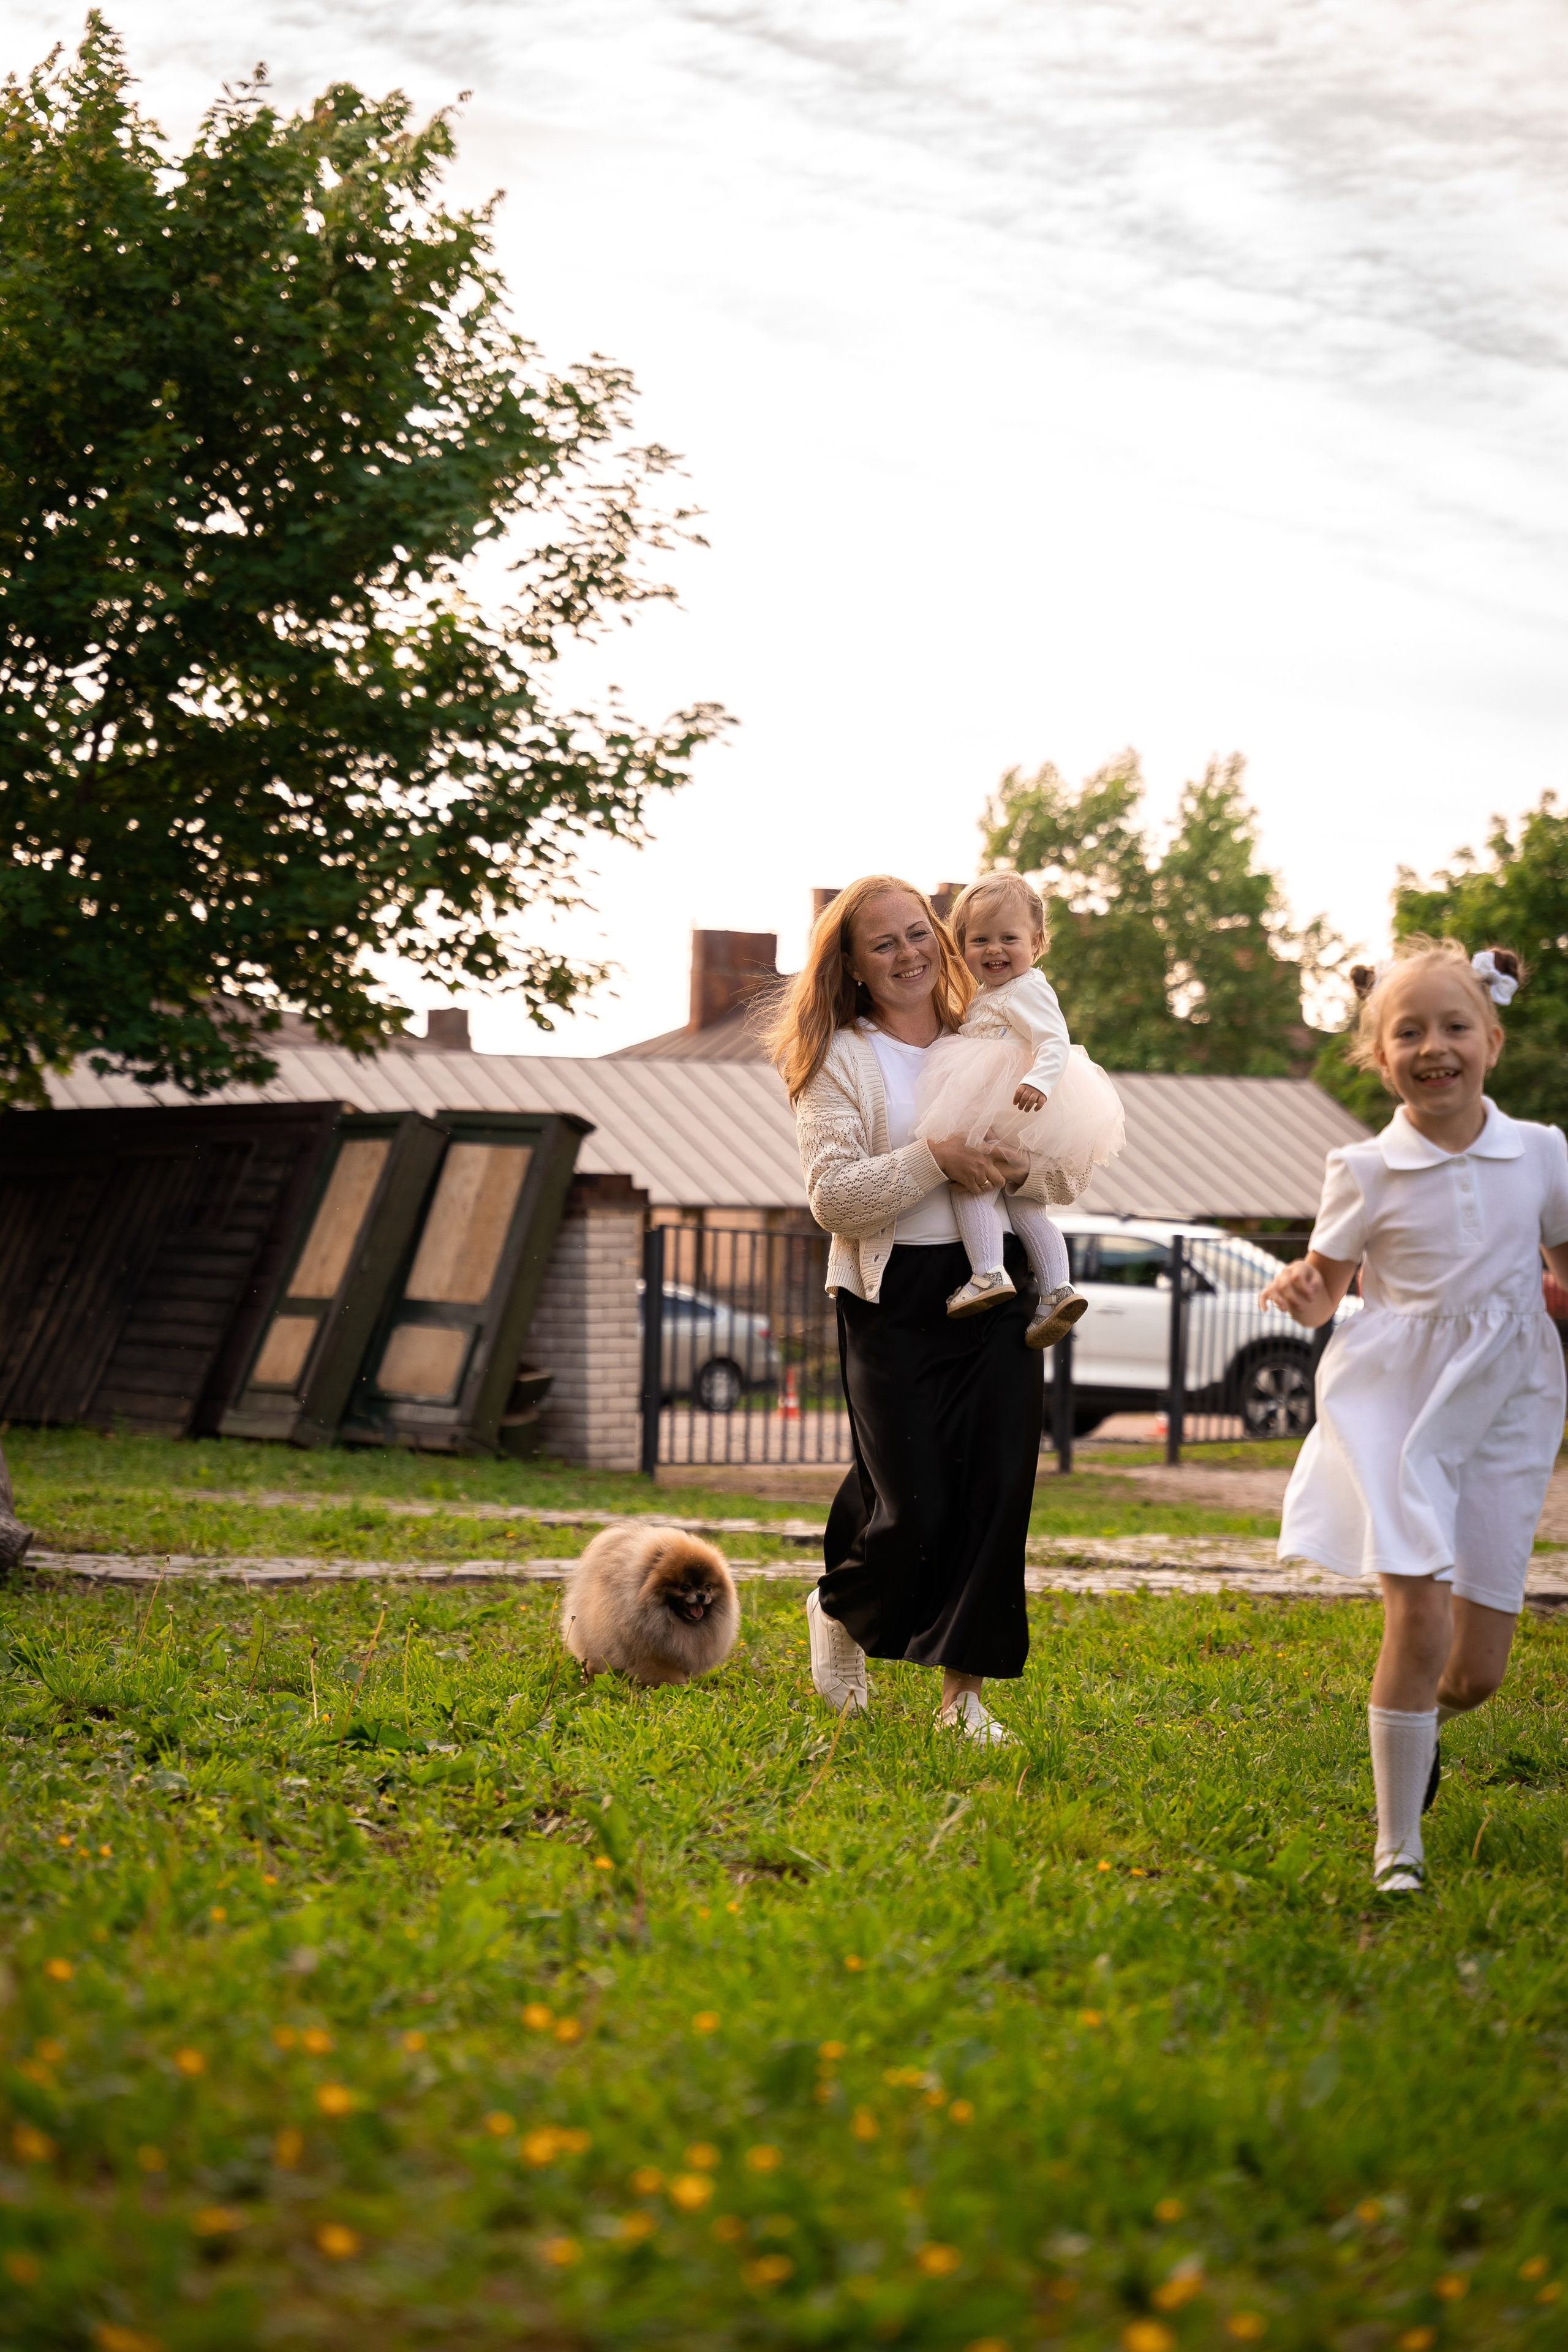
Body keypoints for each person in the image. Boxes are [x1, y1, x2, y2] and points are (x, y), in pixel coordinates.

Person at [1261, 937, 1568, 1896]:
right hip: (1396, 1401)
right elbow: (1329, 1291)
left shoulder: (1546, 1154)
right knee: (1420, 1618)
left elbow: (1563, 1268)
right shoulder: (1364, 1168)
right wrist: (1304, 1293)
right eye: (1410, 1033)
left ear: (1492, 1038)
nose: (1434, 1047)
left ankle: (1419, 1725)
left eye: (1453, 1028)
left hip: (1511, 1403)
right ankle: (1399, 1846)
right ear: (1380, 1058)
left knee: (1474, 1674)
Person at [770, 875, 1058, 1743]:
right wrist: (934, 1156)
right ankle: (840, 1604)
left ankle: (961, 1699)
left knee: (993, 1491)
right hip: (891, 1295)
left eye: (917, 934)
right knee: (912, 1499)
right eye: (883, 943)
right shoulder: (837, 1059)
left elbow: (1065, 1170)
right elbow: (835, 1200)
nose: (909, 954)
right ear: (853, 967)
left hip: (996, 1285)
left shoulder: (997, 1030)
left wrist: (1018, 1171)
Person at [910, 872, 1125, 1346]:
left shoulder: (1027, 988)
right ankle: (1056, 1290)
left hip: (1012, 1100)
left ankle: (988, 1272)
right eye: (980, 940)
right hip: (1013, 1105)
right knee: (1027, 1206)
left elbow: (1055, 1042)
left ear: (1038, 942)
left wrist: (1037, 1082)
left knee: (973, 1187)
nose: (994, 950)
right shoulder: (993, 993)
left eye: (1009, 938)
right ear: (961, 947)